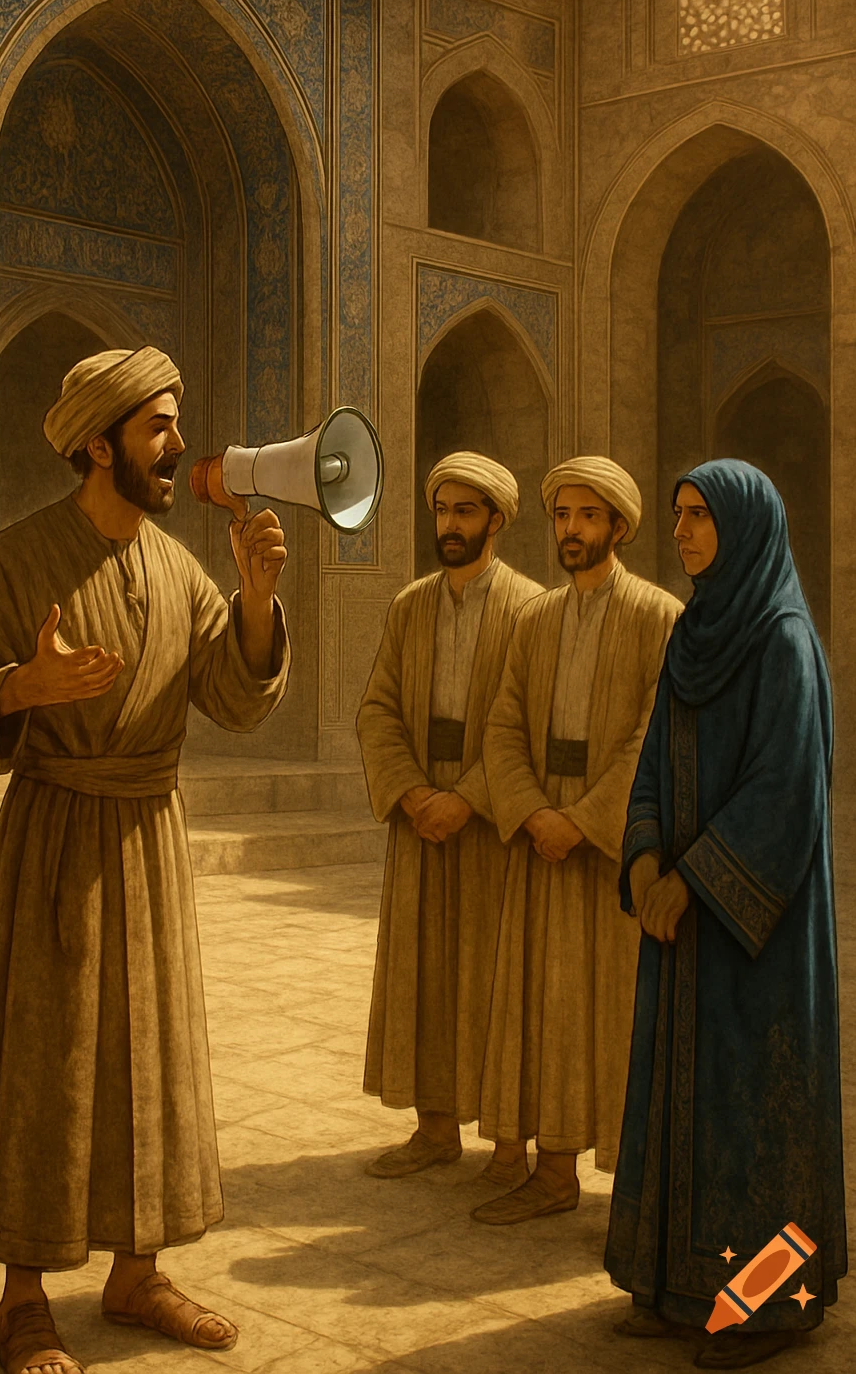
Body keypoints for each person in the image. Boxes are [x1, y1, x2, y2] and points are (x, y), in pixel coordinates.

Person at [0, 346, 290, 1374]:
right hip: (56, 843)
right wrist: (22, 688)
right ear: (97, 443)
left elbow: (235, 698)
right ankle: (24, 1297)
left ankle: (138, 1271)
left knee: (148, 1055)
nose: (177, 446)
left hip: (149, 838)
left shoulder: (179, 568)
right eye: (158, 426)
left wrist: (253, 596)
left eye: (175, 423)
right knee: (47, 1059)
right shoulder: (16, 558)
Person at [605, 459, 847, 1371]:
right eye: (678, 515)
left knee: (756, 1122)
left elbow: (784, 792)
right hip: (683, 926)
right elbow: (657, 759)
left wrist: (690, 882)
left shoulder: (781, 640)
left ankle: (766, 1306)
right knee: (681, 1106)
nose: (685, 531)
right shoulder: (695, 631)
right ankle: (681, 1290)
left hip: (757, 945)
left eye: (701, 517)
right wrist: (645, 853)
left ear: (744, 528)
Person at [472, 457, 681, 1225]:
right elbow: (502, 725)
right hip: (539, 841)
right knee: (543, 1007)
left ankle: (636, 1189)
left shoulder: (661, 617)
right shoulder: (535, 619)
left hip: (610, 851)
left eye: (587, 517)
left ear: (618, 528)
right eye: (562, 516)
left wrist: (584, 821)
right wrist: (530, 812)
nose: (571, 530)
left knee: (615, 1016)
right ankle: (552, 1171)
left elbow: (650, 739)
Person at [359, 453, 543, 1179]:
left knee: (497, 980)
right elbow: (376, 710)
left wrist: (468, 797)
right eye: (442, 511)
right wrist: (411, 794)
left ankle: (508, 1143)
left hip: (491, 824)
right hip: (420, 819)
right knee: (423, 975)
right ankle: (435, 1130)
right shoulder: (410, 606)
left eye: (466, 512)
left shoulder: (532, 608)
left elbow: (524, 724)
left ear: (496, 520)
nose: (451, 525)